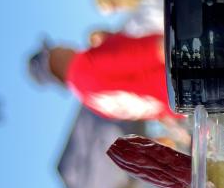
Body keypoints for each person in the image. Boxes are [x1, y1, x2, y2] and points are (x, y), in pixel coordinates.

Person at [27, 32, 184, 130]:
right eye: (54, 49)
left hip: (184, 101)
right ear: (53, 61)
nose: (60, 44)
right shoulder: (84, 66)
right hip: (187, 72)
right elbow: (161, 49)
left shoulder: (88, 99)